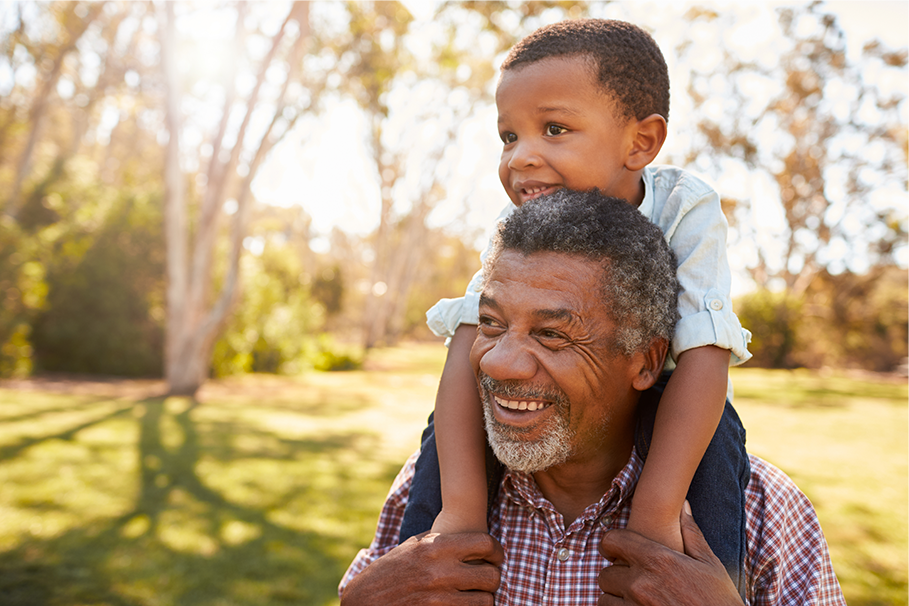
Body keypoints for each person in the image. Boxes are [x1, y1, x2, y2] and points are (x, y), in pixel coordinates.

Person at [338, 190, 845, 605]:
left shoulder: (762, 512)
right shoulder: (430, 487)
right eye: (491, 324)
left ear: (646, 361)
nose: (496, 362)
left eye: (553, 335)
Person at [400, 18, 753, 592]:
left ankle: (706, 584)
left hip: (674, 398)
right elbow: (469, 341)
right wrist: (459, 511)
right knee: (445, 433)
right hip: (556, 411)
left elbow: (705, 353)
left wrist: (656, 515)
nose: (521, 158)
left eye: (554, 129)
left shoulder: (685, 208)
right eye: (509, 136)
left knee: (718, 451)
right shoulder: (518, 227)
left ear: (640, 142)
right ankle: (420, 581)